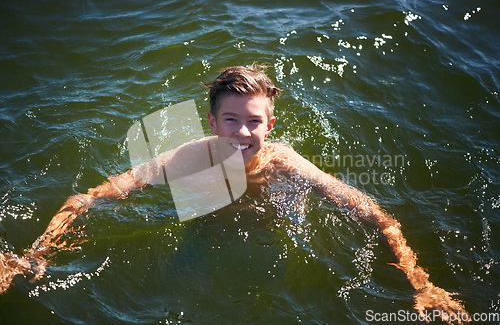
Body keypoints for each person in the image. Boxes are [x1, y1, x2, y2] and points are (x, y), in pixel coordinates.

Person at [0, 65, 468, 323]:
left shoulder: (286, 164)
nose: (243, 132)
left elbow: (375, 214)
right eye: (231, 120)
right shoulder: (187, 158)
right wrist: (34, 252)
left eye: (254, 121)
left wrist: (422, 283)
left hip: (282, 243)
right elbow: (91, 198)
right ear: (212, 122)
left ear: (271, 124)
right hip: (203, 239)